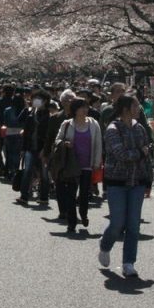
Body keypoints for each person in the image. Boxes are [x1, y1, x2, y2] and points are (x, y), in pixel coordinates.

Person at [97, 94, 153, 278]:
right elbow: (121, 154)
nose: (139, 108)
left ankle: (128, 263)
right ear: (126, 109)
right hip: (117, 182)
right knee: (117, 223)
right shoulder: (113, 129)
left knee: (133, 225)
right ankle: (105, 245)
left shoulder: (140, 128)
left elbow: (147, 156)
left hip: (137, 181)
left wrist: (148, 180)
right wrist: (140, 152)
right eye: (136, 105)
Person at [52, 98, 102, 233]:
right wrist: (65, 143)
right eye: (82, 107)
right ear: (75, 109)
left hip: (87, 164)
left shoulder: (93, 124)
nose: (85, 110)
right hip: (71, 165)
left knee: (85, 193)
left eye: (86, 107)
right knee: (70, 194)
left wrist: (97, 163)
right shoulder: (67, 124)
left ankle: (84, 214)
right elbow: (57, 140)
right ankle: (72, 222)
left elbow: (98, 144)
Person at [20, 90, 52, 206]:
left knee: (44, 174)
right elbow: (26, 132)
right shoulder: (31, 113)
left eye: (39, 98)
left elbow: (50, 135)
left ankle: (44, 197)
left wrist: (46, 149)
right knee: (27, 171)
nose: (35, 101)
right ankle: (23, 196)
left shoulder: (50, 115)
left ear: (45, 101)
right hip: (30, 147)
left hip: (43, 148)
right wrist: (23, 149)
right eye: (34, 98)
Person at [1, 90, 25, 180]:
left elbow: (5, 122)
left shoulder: (7, 110)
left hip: (9, 133)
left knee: (10, 153)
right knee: (17, 153)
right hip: (20, 133)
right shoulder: (24, 110)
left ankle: (11, 170)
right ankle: (16, 169)